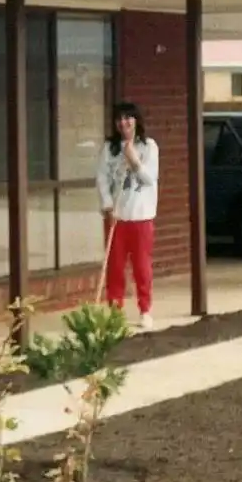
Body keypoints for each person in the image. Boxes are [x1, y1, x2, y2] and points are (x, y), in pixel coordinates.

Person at [95, 100, 159, 330]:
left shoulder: (149, 146)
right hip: (116, 218)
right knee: (115, 267)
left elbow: (149, 179)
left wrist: (133, 159)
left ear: (136, 121)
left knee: (142, 266)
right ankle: (115, 311)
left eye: (128, 118)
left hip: (141, 217)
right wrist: (108, 205)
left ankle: (145, 309)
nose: (124, 123)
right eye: (119, 119)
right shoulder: (109, 149)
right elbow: (102, 179)